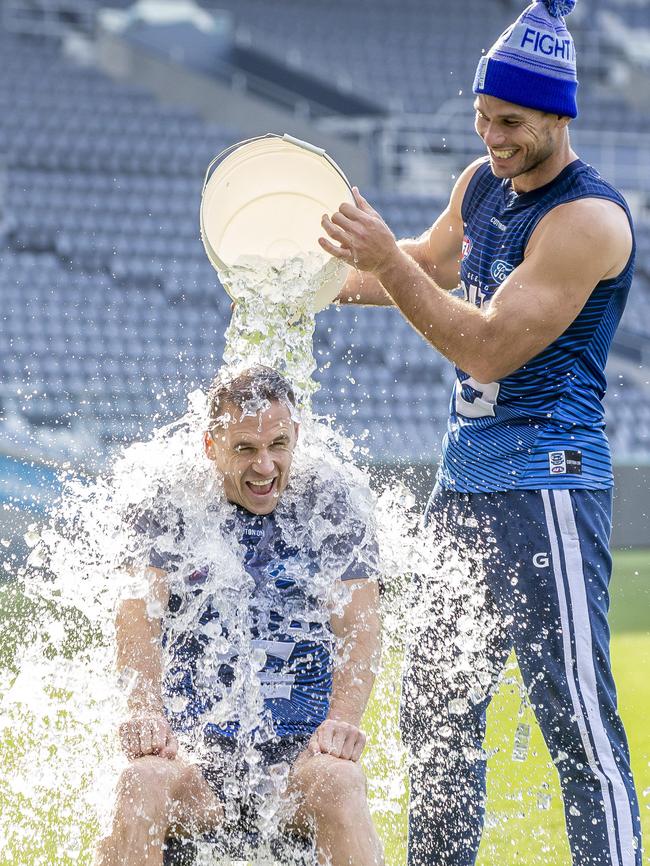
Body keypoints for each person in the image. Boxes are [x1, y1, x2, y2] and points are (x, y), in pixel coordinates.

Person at [319, 1, 643, 865]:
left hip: (550, 487)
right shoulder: (484, 181)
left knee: (575, 722)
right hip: (463, 486)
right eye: (482, 119)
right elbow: (428, 266)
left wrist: (387, 259)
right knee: (434, 715)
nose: (492, 137)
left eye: (510, 122)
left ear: (559, 117)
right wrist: (297, 282)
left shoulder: (590, 220)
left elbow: (487, 347)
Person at [95, 365, 384, 866]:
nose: (265, 467)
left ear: (296, 435)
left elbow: (360, 624)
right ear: (212, 446)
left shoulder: (331, 502)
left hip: (298, 763)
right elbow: (137, 614)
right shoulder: (170, 502)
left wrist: (341, 722)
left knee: (340, 781)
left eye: (278, 445)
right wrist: (145, 711)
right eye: (246, 449)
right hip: (193, 758)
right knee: (140, 782)